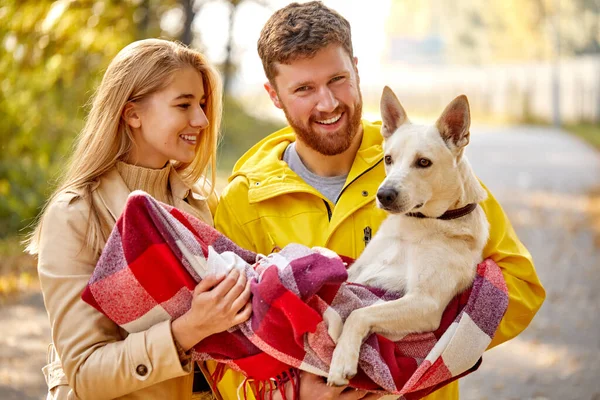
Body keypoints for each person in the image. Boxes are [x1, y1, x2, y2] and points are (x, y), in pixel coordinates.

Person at [214, 2, 546, 400]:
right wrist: (291, 393)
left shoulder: (432, 167)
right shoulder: (243, 201)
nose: (328, 103)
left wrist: (414, 348)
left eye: (337, 79)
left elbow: (521, 286)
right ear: (274, 95)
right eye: (303, 88)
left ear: (356, 70)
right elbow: (224, 346)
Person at [26, 39, 253, 400]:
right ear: (132, 114)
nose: (202, 120)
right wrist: (187, 330)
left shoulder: (200, 204)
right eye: (184, 104)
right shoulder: (76, 215)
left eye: (203, 104)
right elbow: (85, 373)